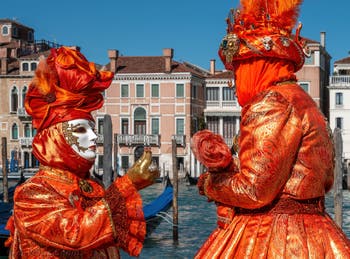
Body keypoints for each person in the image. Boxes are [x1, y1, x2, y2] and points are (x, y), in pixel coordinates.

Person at [191, 0, 350, 258]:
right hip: (317, 231)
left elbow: (254, 190)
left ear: (257, 65)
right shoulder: (309, 105)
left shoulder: (270, 102)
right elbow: (327, 182)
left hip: (275, 236)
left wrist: (210, 183)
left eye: (239, 70)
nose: (234, 83)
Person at [5, 46, 159, 258]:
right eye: (80, 129)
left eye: (93, 129)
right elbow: (77, 233)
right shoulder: (32, 193)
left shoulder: (91, 186)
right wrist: (129, 184)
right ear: (55, 137)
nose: (94, 137)